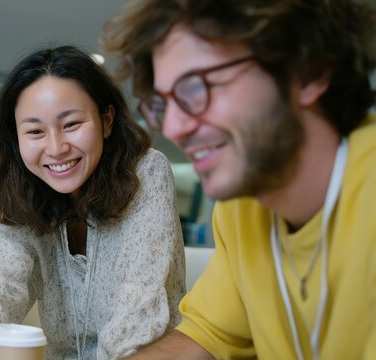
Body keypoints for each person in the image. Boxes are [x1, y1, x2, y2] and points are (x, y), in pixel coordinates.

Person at [102, 0, 376, 359]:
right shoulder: (242, 209)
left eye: (196, 88)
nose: (173, 128)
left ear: (309, 72)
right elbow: (205, 337)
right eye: (164, 105)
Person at [0, 45, 185, 359]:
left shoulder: (146, 171)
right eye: (35, 131)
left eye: (71, 125)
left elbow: (138, 312)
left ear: (106, 120)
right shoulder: (28, 192)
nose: (55, 148)